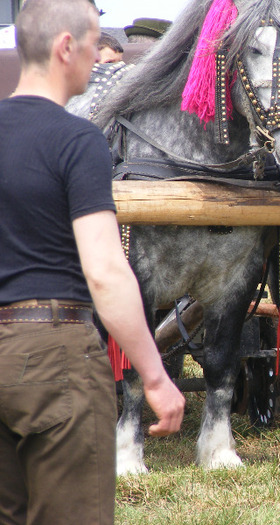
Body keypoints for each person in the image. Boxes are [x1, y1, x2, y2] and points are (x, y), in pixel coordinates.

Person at [0, 1, 185, 524]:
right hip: (55, 357)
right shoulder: (78, 140)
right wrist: (153, 375)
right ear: (66, 48)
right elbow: (104, 271)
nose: (105, 57)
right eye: (95, 42)